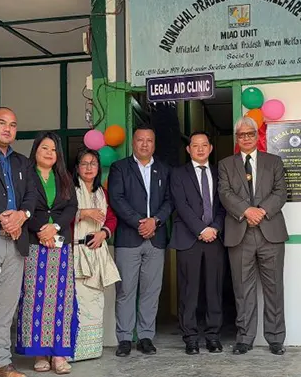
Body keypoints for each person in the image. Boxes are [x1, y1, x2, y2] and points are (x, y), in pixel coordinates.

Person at [218, 116, 288, 356]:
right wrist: (247, 211)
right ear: (236, 138)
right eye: (241, 135)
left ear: (257, 136)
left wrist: (261, 211)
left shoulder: (274, 161)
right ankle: (244, 338)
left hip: (271, 232)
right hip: (240, 233)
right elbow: (225, 193)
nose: (246, 138)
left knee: (274, 288)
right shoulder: (226, 164)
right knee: (242, 289)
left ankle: (276, 338)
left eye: (250, 134)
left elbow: (281, 192)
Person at [16, 132, 78, 374]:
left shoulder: (64, 177)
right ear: (36, 150)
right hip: (34, 243)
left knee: (61, 300)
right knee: (35, 299)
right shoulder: (26, 175)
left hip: (61, 247)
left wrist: (56, 227)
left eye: (53, 149)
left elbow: (72, 207)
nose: (49, 153)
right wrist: (41, 230)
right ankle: (40, 353)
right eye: (44, 148)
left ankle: (59, 354)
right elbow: (23, 206)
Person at [107, 125, 173, 357]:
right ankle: (125, 338)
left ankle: (146, 336)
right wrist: (140, 223)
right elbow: (116, 199)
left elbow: (169, 201)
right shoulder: (120, 168)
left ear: (154, 144)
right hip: (128, 238)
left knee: (151, 291)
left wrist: (155, 221)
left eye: (149, 140)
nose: (144, 144)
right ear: (133, 142)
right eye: (140, 140)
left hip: (156, 238)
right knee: (126, 290)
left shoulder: (164, 170)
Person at [0, 107, 38, 377]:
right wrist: (0, 214)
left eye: (13, 125)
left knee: (5, 308)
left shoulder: (21, 162)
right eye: (2, 123)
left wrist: (21, 215)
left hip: (16, 242)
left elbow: (32, 195)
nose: (8, 129)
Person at [168, 131, 226, 355]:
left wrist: (215, 228)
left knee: (214, 289)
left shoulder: (220, 172)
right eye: (195, 145)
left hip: (215, 238)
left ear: (210, 148)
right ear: (188, 149)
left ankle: (213, 336)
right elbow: (180, 205)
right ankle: (190, 338)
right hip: (189, 237)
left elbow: (224, 205)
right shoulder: (178, 174)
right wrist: (201, 229)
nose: (200, 149)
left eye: (204, 145)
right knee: (189, 291)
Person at [70, 148, 120, 361]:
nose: (89, 167)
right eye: (84, 163)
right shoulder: (69, 190)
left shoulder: (102, 193)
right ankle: (71, 351)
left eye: (93, 163)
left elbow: (111, 218)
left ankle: (90, 350)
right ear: (77, 168)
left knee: (95, 303)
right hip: (75, 253)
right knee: (75, 303)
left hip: (96, 252)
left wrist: (103, 233)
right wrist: (83, 213)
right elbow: (60, 216)